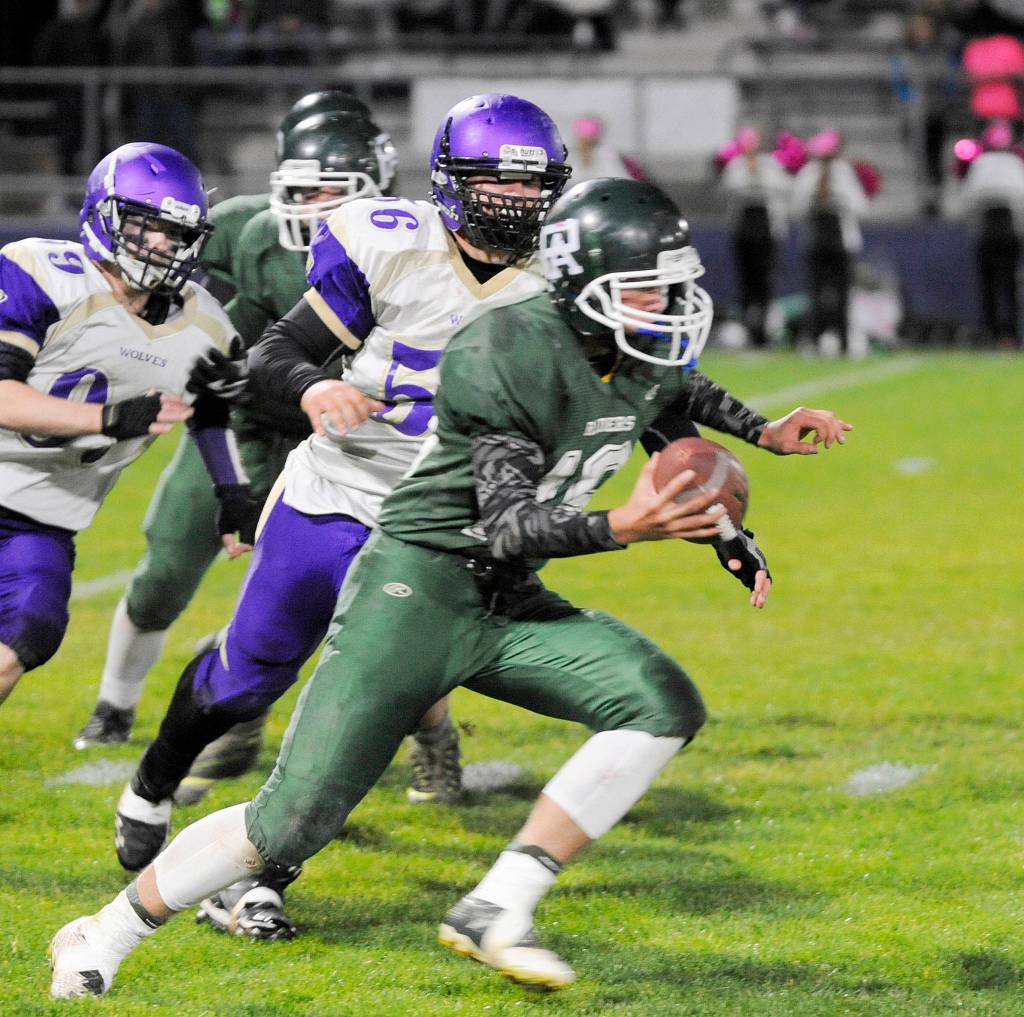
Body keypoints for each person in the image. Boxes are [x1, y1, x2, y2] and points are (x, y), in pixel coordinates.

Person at [49, 177, 853, 998]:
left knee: (660, 700)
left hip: (505, 596)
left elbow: (680, 392)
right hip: (417, 589)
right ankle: (104, 929)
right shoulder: (501, 348)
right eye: (652, 284)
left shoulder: (637, 349)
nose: (674, 302)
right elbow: (506, 523)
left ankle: (498, 904)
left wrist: (749, 465)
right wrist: (624, 525)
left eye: (679, 281)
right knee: (287, 823)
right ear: (583, 280)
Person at [73, 91, 383, 754]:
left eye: (331, 192)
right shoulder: (248, 229)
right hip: (241, 420)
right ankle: (114, 703)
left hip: (339, 439)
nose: (312, 209)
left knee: (374, 588)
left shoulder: (406, 247)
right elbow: (149, 289)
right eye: (300, 191)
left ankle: (422, 733)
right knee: (166, 570)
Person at [0, 142, 257, 708]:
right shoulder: (40, 274)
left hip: (41, 516)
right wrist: (104, 419)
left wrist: (232, 491)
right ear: (104, 215)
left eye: (175, 231)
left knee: (29, 629)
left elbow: (210, 409)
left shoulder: (207, 327)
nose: (161, 243)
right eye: (145, 225)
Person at [790, 129, 869, 356]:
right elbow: (795, 209)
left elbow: (861, 206)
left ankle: (843, 339)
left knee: (843, 293)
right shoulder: (808, 174)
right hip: (815, 239)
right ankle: (814, 338)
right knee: (815, 292)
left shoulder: (845, 174)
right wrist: (813, 200)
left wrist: (839, 199)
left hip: (842, 242)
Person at [718, 126, 792, 347]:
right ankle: (747, 330)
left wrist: (758, 181)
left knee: (765, 283)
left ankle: (764, 332)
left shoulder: (771, 164)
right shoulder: (736, 165)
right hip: (743, 228)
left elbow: (784, 187)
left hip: (766, 229)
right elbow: (728, 188)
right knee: (746, 283)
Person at [955, 118, 1024, 348]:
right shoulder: (992, 163)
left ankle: (1001, 334)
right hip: (996, 231)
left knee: (999, 286)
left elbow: (967, 199)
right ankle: (1003, 335)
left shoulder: (1003, 163)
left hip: (999, 231)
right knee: (1000, 286)